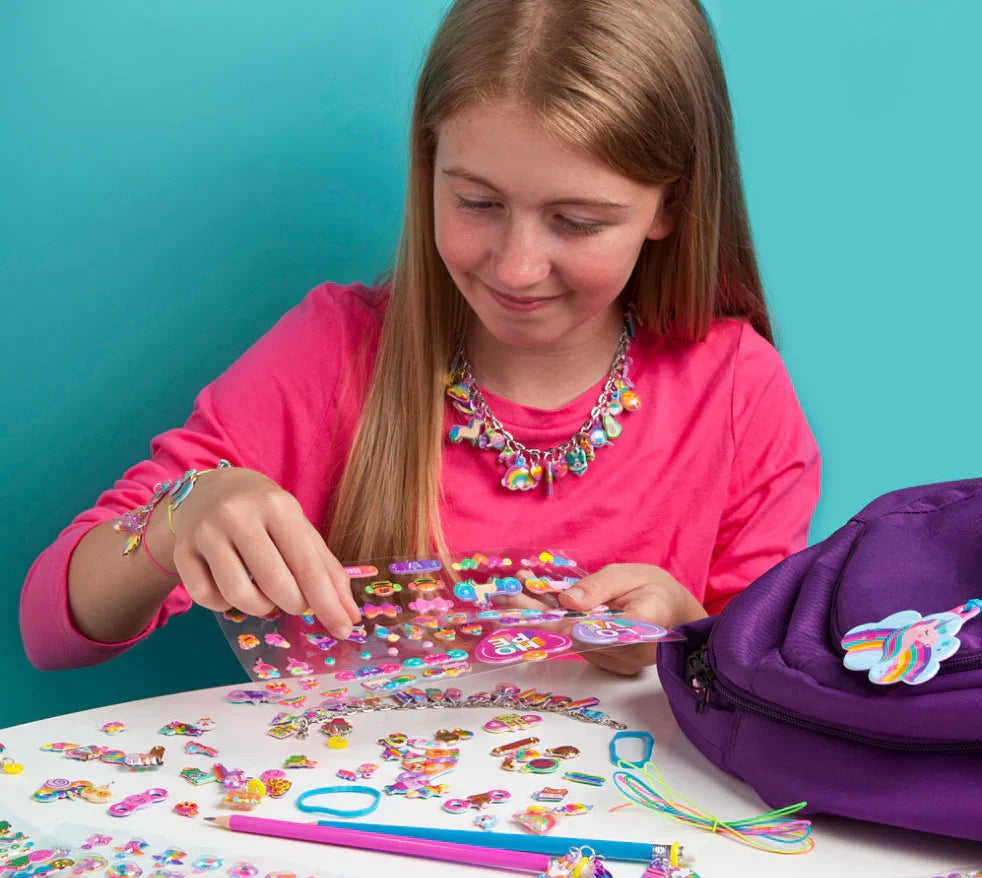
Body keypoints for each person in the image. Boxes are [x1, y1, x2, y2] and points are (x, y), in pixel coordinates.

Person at [21, 0, 820, 677]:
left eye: (577, 222)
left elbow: (776, 689)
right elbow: (50, 627)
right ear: (429, 164)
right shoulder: (334, 355)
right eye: (476, 202)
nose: (517, 265)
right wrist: (175, 517)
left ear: (670, 208)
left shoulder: (739, 390)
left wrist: (688, 641)